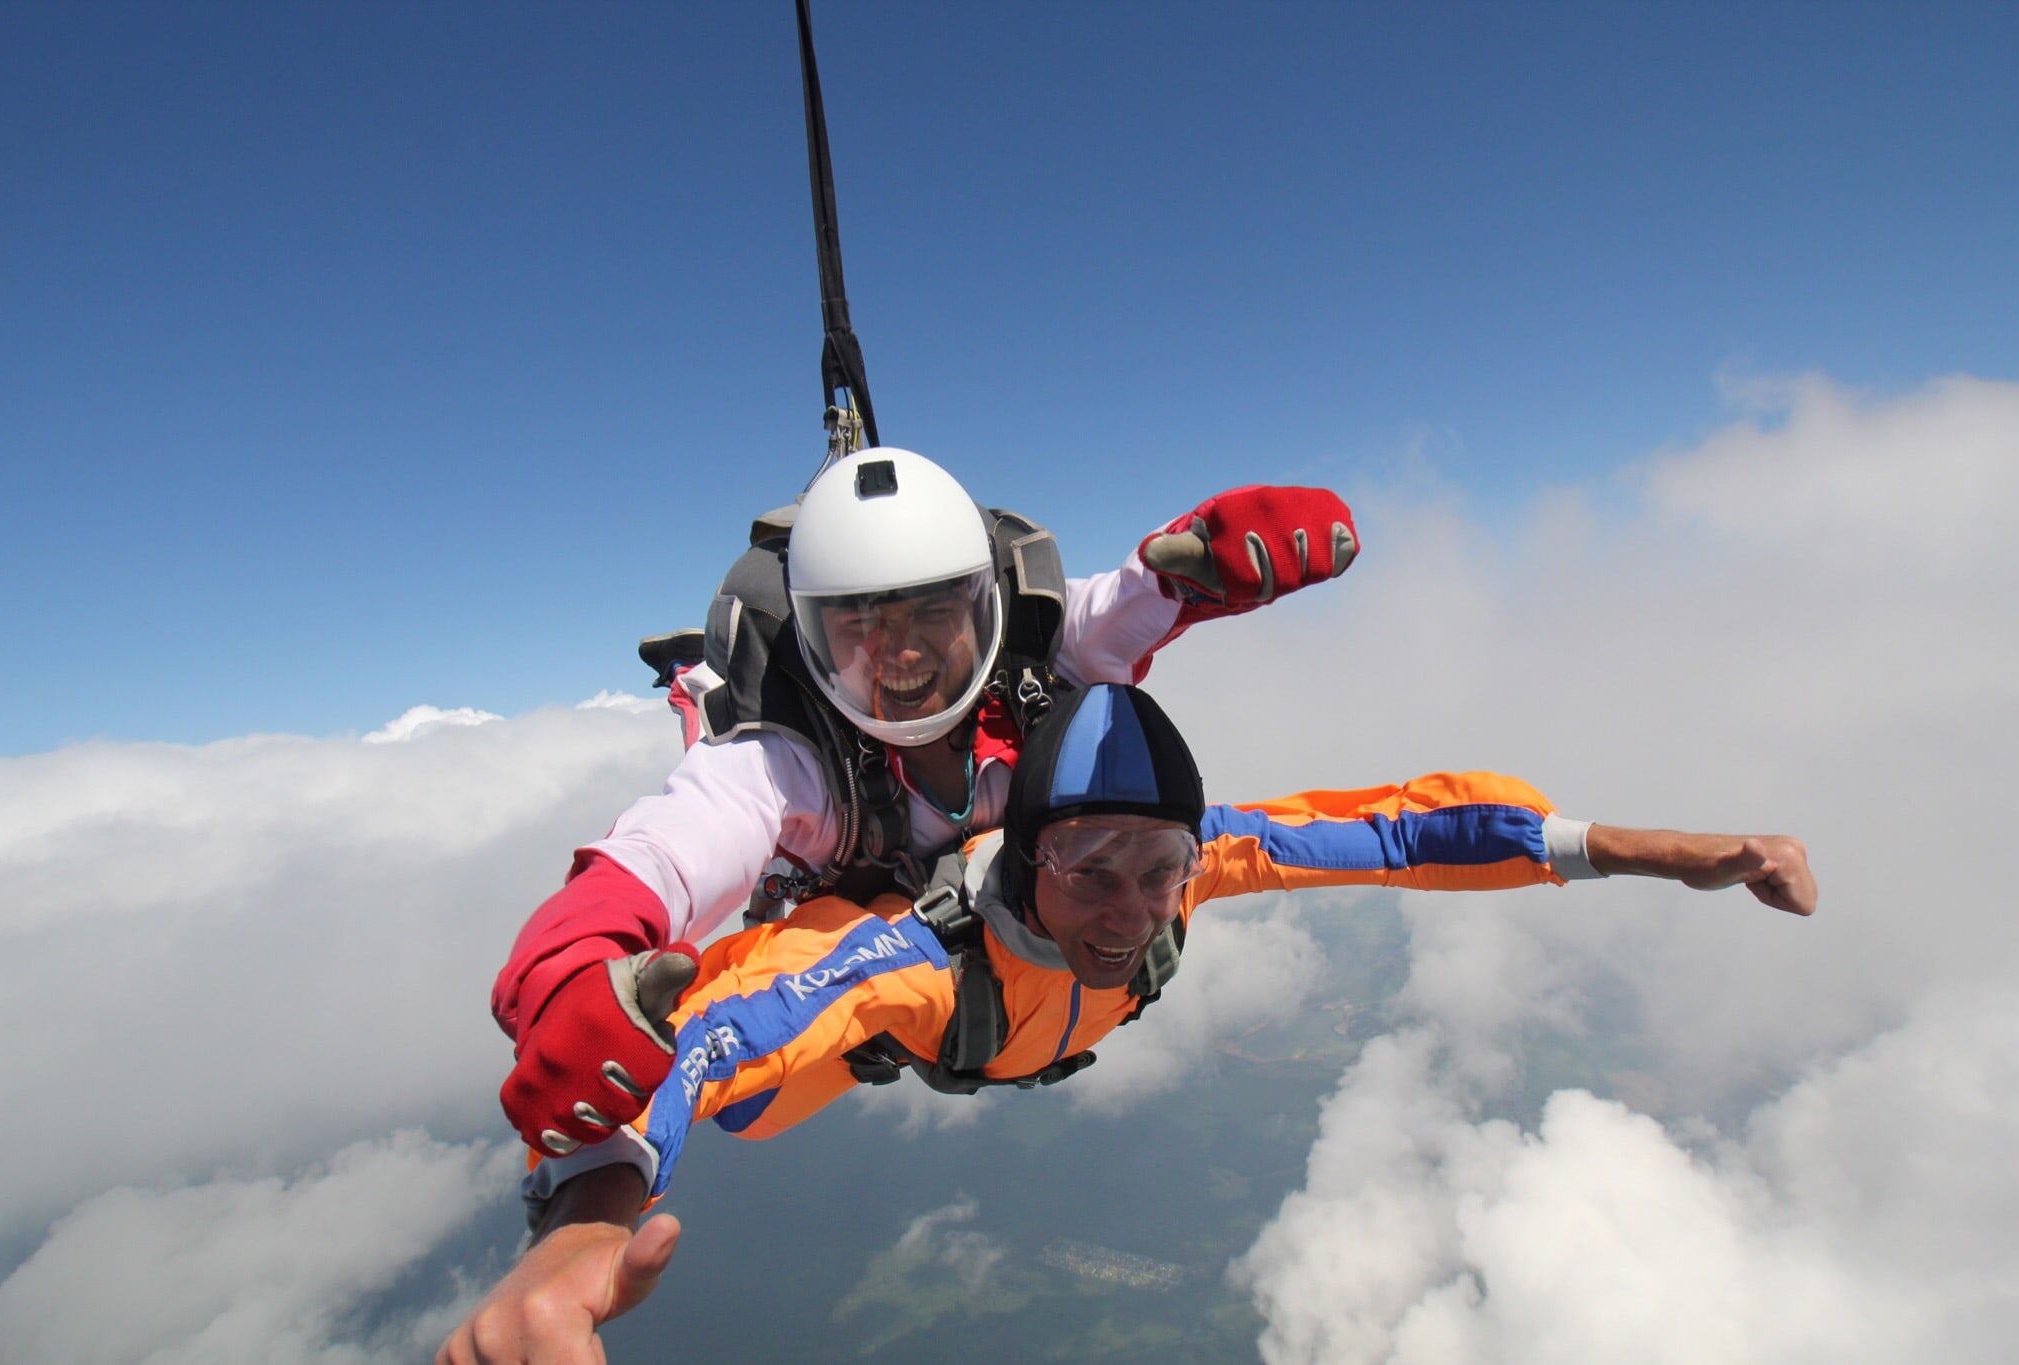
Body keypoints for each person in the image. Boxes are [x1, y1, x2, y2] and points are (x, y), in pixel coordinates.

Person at [438, 683, 1816, 1364]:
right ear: (1021, 849)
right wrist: (586, 1220)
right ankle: (713, 718)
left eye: (1161, 868)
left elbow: (1411, 824)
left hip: (981, 1021)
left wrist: (1672, 849)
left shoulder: (1191, 868)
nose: (1131, 908)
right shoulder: (900, 964)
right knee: (745, 1067)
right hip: (871, 1017)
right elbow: (714, 1048)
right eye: (1091, 865)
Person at [493, 448, 1361, 1158]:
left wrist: (1208, 561)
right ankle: (697, 682)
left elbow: (1127, 603)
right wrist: (566, 967)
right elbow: (665, 849)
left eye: (932, 612)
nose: (898, 654)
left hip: (972, 928)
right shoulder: (788, 766)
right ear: (813, 637)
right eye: (858, 628)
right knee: (746, 1109)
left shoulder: (1035, 658)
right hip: (873, 928)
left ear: (982, 607)